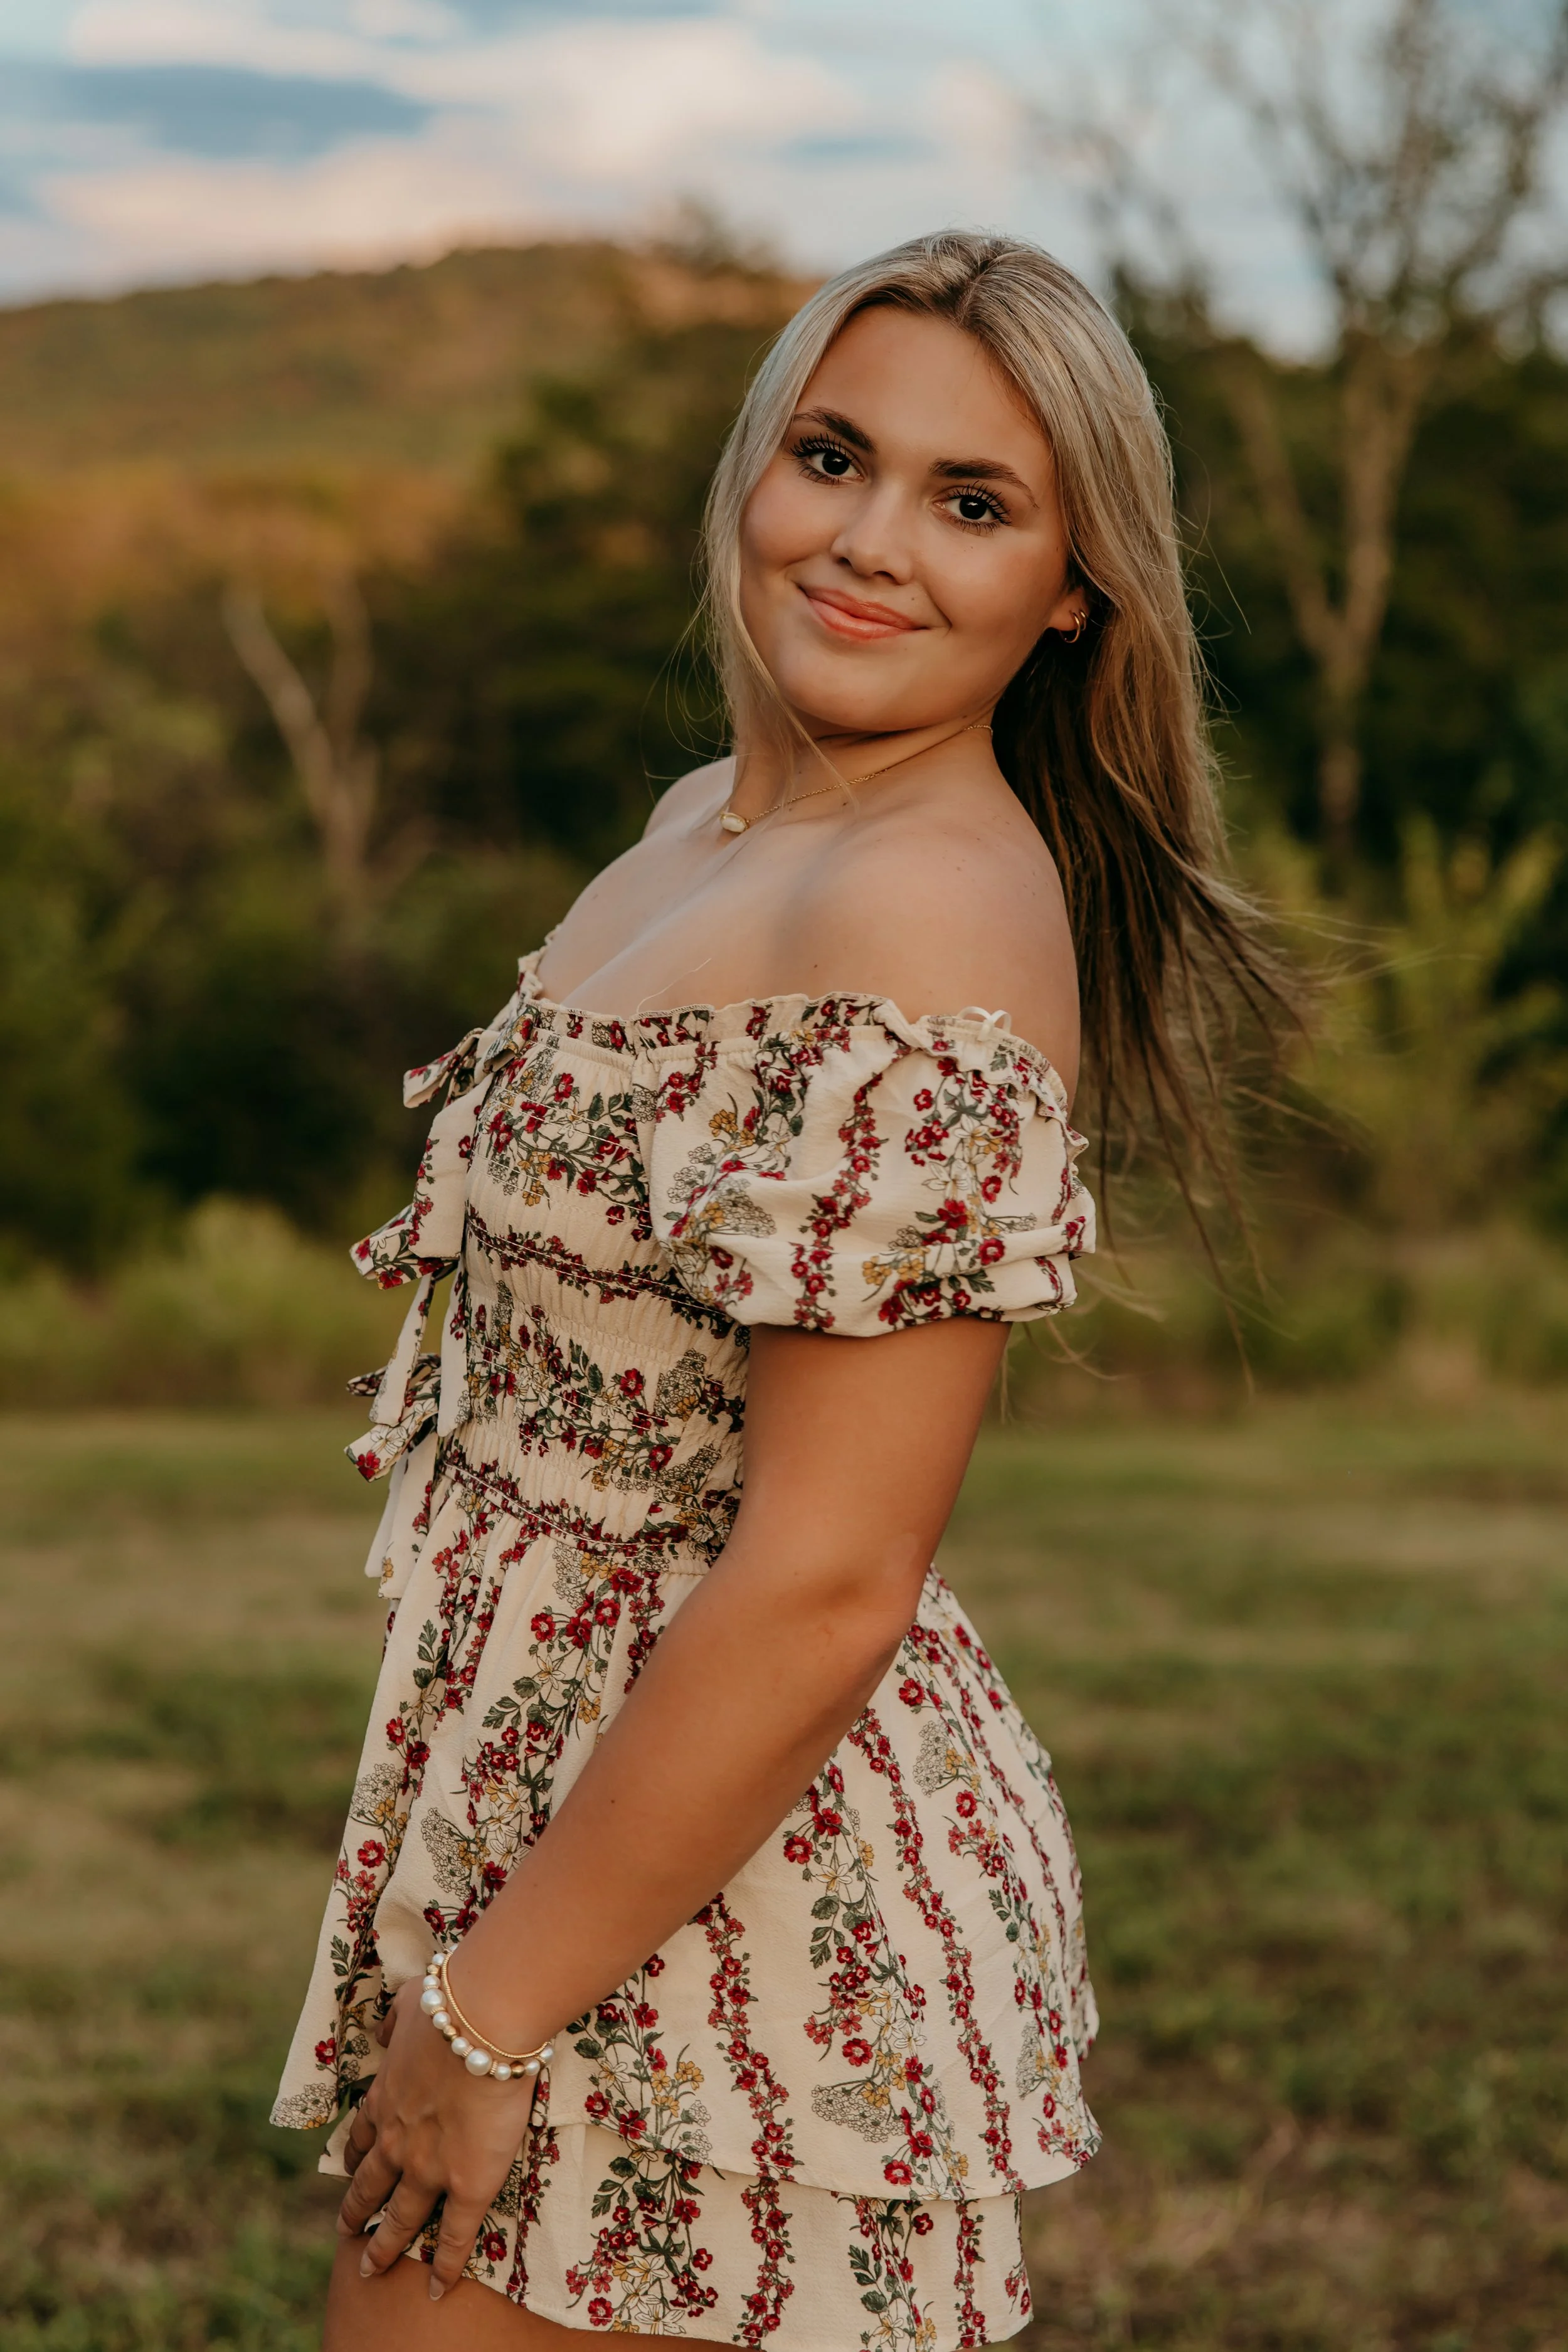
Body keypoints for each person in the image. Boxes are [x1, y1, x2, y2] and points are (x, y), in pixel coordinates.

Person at [272, 229, 1282, 2351]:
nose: (869, 542)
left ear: (1073, 586)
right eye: (834, 453)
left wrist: (485, 2013)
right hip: (552, 1812)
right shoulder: (694, 831)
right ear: (756, 462)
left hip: (716, 1910)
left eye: (974, 501)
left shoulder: (921, 915)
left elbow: (831, 1573)